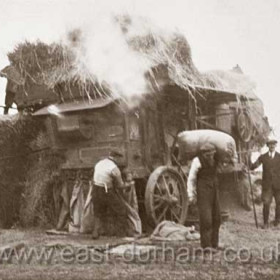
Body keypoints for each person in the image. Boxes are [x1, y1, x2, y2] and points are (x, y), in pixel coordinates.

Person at [92, 149, 140, 239]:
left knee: (98, 213)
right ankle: (120, 234)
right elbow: (120, 186)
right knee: (121, 210)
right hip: (106, 191)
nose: (120, 161)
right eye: (119, 158)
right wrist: (130, 184)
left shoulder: (100, 163)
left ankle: (95, 233)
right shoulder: (114, 168)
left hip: (95, 189)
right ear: (116, 158)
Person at [187, 143, 221, 250]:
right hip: (203, 191)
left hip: (214, 190)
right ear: (204, 154)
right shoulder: (197, 161)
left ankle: (214, 244)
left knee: (217, 218)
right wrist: (191, 194)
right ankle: (206, 246)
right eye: (208, 154)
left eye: (211, 154)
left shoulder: (216, 160)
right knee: (206, 219)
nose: (210, 156)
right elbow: (191, 178)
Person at [250, 138, 280, 229]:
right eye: (270, 145)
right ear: (267, 146)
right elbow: (253, 166)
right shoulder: (263, 157)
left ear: (275, 146)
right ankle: (265, 222)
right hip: (267, 186)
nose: (272, 146)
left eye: (273, 144)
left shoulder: (279, 157)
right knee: (266, 203)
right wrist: (248, 159)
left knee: (279, 203)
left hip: (278, 185)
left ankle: (277, 221)